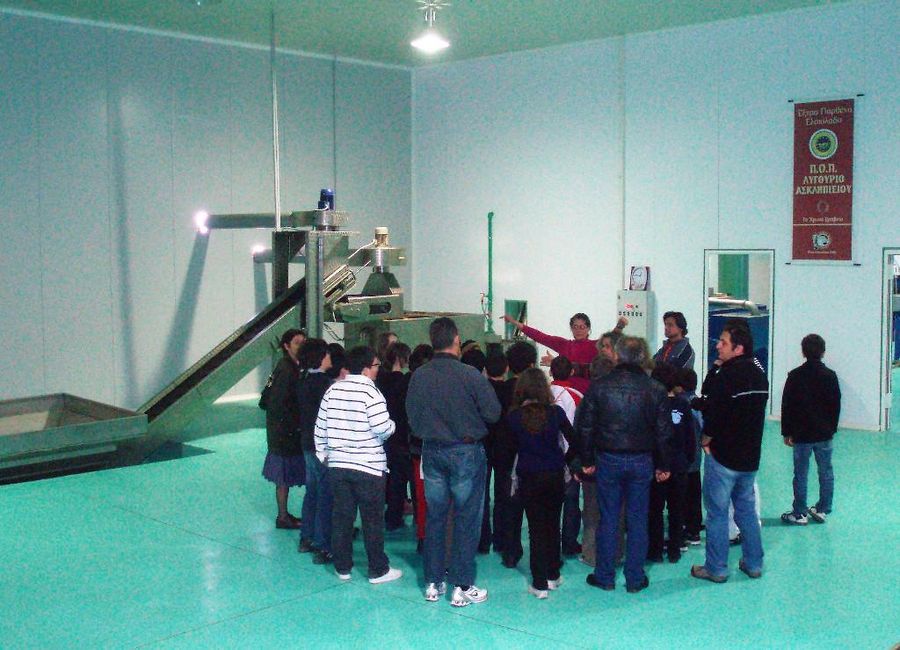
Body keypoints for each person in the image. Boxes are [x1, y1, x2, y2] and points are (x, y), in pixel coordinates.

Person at [406, 317, 501, 607]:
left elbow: (411, 416)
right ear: (457, 339)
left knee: (435, 517)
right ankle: (462, 585)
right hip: (465, 452)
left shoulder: (419, 376)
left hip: (431, 452)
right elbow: (493, 413)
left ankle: (433, 582)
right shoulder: (470, 375)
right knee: (466, 519)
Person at [576, 336, 673, 593]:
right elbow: (664, 432)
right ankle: (635, 578)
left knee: (608, 518)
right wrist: (663, 465)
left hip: (608, 459)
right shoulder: (656, 390)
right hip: (642, 461)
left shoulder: (598, 387)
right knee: (638, 520)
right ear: (643, 358)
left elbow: (585, 427)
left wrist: (586, 460)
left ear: (616, 357)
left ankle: (605, 576)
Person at [690, 319, 768, 584]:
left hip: (723, 457)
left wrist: (706, 439)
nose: (718, 347)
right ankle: (754, 563)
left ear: (738, 348)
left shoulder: (728, 377)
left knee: (717, 512)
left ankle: (716, 568)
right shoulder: (759, 374)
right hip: (749, 458)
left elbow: (716, 412)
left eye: (723, 343)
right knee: (746, 511)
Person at [314, 346, 401, 584]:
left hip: (338, 467)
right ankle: (377, 569)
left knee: (342, 518)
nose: (377, 371)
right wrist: (392, 426)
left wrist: (325, 457)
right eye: (375, 366)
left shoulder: (332, 391)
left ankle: (342, 567)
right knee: (372, 521)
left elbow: (320, 429)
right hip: (369, 467)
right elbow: (383, 428)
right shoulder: (371, 393)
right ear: (365, 368)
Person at [507, 368, 577, 598]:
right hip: (555, 475)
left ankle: (539, 584)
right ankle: (553, 574)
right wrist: (563, 460)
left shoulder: (515, 417)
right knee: (552, 525)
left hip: (529, 476)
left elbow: (507, 450)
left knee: (536, 529)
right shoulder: (555, 413)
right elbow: (574, 441)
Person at [780, 334, 841, 525]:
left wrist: (787, 431)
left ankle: (799, 513)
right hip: (824, 433)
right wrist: (831, 428)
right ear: (823, 352)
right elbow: (835, 405)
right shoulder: (830, 376)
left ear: (803, 351)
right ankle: (822, 509)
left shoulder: (795, 376)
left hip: (802, 434)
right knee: (826, 471)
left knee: (800, 473)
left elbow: (787, 405)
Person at [501, 313, 627, 394]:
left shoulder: (596, 345)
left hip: (587, 394)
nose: (578, 330)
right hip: (565, 393)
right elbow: (540, 336)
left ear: (588, 328)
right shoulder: (564, 344)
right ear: (571, 328)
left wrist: (620, 325)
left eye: (582, 327)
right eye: (575, 326)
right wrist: (514, 322)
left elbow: (612, 337)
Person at [647, 363, 695, 564]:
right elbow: (690, 438)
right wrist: (686, 461)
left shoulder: (651, 405)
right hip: (679, 465)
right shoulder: (683, 405)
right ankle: (674, 549)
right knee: (677, 509)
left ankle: (655, 550)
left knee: (655, 510)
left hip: (657, 465)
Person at [495, 340, 538, 568]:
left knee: (507, 502)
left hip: (505, 454)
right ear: (532, 364)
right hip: (530, 456)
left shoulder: (501, 390)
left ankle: (507, 547)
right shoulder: (535, 395)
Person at [262, 328, 307, 530]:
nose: (301, 346)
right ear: (286, 346)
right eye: (297, 342)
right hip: (284, 434)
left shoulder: (287, 367)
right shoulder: (288, 370)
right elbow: (278, 404)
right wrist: (295, 426)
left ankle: (283, 515)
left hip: (282, 432)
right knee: (283, 476)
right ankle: (282, 516)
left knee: (284, 477)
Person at [297, 339, 335, 562]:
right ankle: (323, 543)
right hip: (322, 446)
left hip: (307, 443)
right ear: (320, 357)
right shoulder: (324, 385)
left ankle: (307, 537)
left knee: (312, 492)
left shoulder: (303, 380)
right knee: (325, 495)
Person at [548, 355, 583, 557]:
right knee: (571, 501)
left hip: (546, 456)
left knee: (549, 503)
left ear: (551, 372)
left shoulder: (543, 394)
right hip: (571, 455)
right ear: (571, 372)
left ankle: (550, 542)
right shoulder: (578, 396)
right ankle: (569, 543)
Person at [376, 342, 413, 531]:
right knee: (399, 477)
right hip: (399, 434)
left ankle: (389, 512)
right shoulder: (403, 382)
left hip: (382, 434)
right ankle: (394, 514)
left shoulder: (380, 380)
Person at [407, 343, 434, 553]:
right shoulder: (435, 385)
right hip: (433, 447)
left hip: (418, 448)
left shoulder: (412, 384)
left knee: (421, 495)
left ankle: (423, 536)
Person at [678, 367, 705, 546]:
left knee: (680, 494)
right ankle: (694, 527)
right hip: (695, 458)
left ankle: (682, 526)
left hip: (680, 459)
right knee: (694, 492)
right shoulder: (699, 404)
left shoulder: (678, 405)